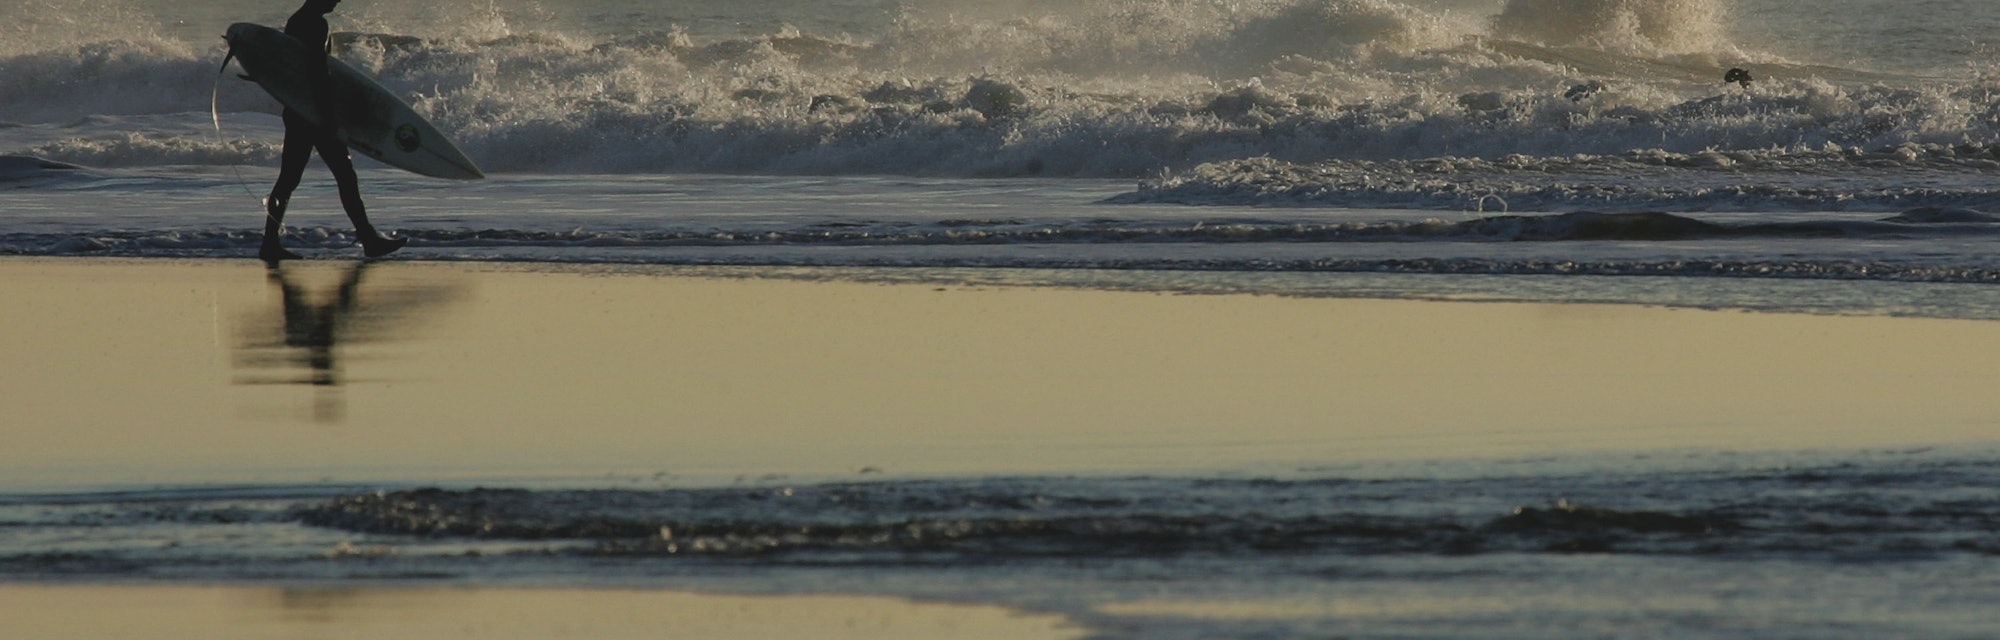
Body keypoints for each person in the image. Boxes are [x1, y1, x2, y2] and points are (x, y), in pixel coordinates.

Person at [260, 0, 406, 262]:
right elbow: (318, 72)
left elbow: (294, 67)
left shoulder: (297, 20)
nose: (338, 0)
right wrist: (328, 116)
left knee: (291, 179)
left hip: (300, 110)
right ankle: (368, 239)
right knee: (343, 176)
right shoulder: (315, 23)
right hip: (313, 115)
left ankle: (269, 243)